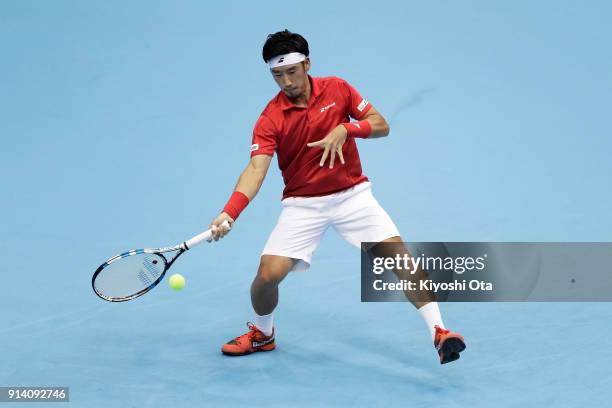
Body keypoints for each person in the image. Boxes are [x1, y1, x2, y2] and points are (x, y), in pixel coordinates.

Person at [209, 30, 466, 364]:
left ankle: (440, 333)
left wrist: (347, 128)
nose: (286, 81)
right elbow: (255, 170)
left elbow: (380, 124)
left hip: (352, 197)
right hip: (303, 205)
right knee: (266, 277)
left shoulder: (338, 89)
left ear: (307, 63)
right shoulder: (270, 118)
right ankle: (263, 333)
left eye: (291, 71)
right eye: (277, 75)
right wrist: (230, 212)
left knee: (401, 260)